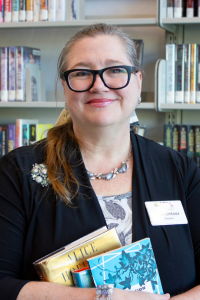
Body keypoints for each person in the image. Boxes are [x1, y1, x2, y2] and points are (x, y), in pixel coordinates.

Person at [0, 23, 200, 300]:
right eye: (82, 73)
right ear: (65, 87)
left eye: (115, 70)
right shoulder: (18, 172)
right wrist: (101, 297)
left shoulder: (180, 170)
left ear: (138, 81)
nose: (99, 85)